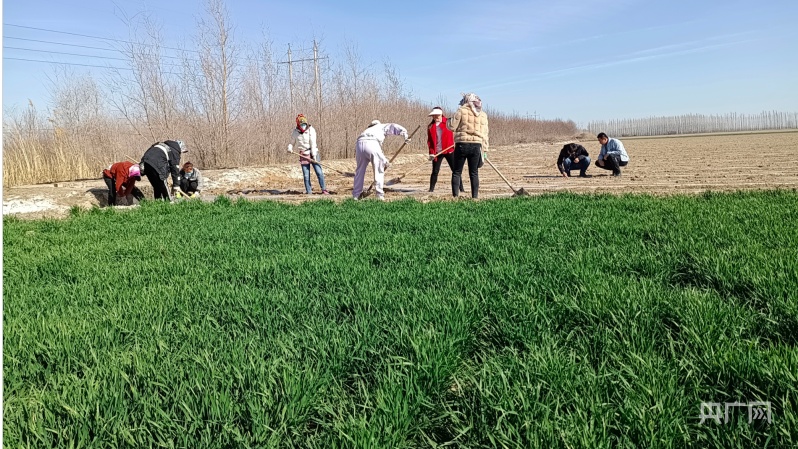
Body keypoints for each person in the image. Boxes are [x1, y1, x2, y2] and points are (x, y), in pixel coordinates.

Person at [352, 120, 410, 201]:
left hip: (359, 144)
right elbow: (392, 126)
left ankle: (356, 195)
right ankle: (379, 195)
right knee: (379, 170)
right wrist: (405, 134)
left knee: (359, 171)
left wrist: (384, 160)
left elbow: (375, 149)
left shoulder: (367, 130)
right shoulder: (381, 126)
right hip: (372, 143)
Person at [447, 92, 489, 198]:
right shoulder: (483, 115)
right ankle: (475, 197)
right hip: (477, 146)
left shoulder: (461, 110)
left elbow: (452, 127)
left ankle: (455, 197)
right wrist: (485, 152)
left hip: (462, 144)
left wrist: (448, 121)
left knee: (457, 172)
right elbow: (485, 134)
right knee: (474, 172)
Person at [287, 114, 329, 195]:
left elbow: (313, 143)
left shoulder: (311, 130)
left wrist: (314, 156)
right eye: (301, 125)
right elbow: (292, 142)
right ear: (298, 125)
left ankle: (324, 189)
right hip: (303, 154)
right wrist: (290, 147)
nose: (303, 126)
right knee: (306, 175)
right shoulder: (295, 132)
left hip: (313, 152)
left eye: (304, 124)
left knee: (319, 172)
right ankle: (309, 191)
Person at [427, 106, 463, 193]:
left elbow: (457, 129)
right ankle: (431, 189)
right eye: (434, 116)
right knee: (435, 171)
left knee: (455, 170)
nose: (436, 117)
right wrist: (431, 153)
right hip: (437, 152)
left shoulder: (448, 123)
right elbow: (430, 141)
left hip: (449, 150)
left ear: (441, 115)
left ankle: (461, 188)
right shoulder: (431, 126)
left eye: (437, 116)